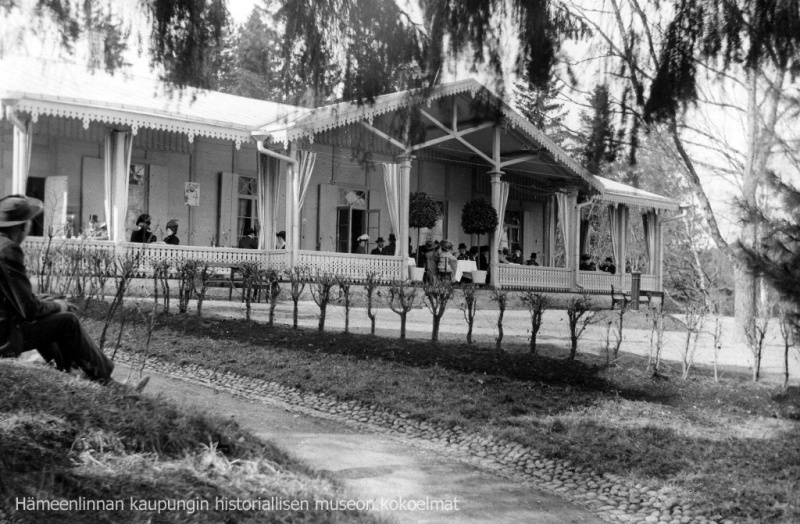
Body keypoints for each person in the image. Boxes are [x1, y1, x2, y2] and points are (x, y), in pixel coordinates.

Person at [0, 195, 114, 382]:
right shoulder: (8, 249)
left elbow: (12, 298)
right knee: (68, 321)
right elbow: (29, 310)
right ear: (23, 226)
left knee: (51, 306)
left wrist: (48, 301)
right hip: (5, 337)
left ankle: (67, 369)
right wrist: (58, 306)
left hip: (5, 325)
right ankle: (105, 379)